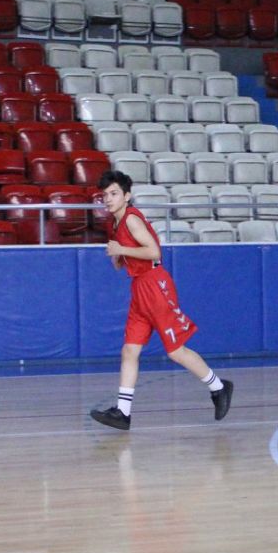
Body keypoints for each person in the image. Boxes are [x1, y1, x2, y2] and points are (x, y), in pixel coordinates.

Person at [89, 170, 234, 429]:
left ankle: (218, 387)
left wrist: (122, 249)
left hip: (155, 285)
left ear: (127, 196)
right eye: (105, 195)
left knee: (176, 351)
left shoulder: (132, 219)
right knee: (129, 350)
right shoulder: (115, 223)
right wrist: (119, 257)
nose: (108, 199)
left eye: (113, 193)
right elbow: (127, 258)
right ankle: (123, 412)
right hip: (139, 288)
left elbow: (154, 252)